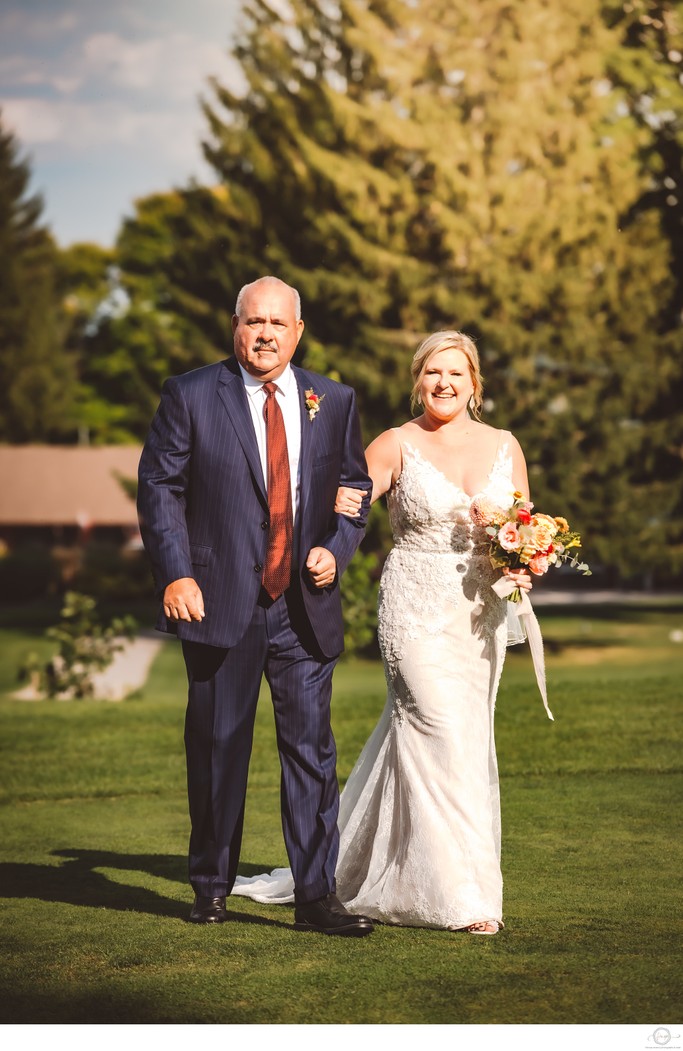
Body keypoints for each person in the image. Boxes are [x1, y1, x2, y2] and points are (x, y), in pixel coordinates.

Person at [232, 329, 531, 935]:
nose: (442, 383)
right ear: (417, 380)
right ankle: (459, 900)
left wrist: (528, 555)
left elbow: (524, 522)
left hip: (480, 615)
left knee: (467, 742)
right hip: (414, 608)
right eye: (431, 373)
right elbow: (345, 504)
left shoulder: (505, 445)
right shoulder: (395, 443)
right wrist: (326, 552)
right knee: (439, 730)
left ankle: (411, 871)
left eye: (455, 373)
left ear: (475, 383)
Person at [137, 276, 374, 936]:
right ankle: (210, 884)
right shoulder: (189, 394)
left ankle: (315, 896)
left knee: (310, 753)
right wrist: (176, 573)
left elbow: (353, 485)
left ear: (298, 332)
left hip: (302, 608)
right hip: (215, 605)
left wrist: (337, 545)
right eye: (253, 321)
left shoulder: (332, 398)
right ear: (234, 327)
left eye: (278, 322)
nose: (265, 332)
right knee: (216, 748)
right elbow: (159, 487)